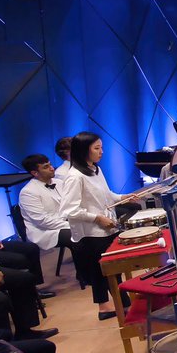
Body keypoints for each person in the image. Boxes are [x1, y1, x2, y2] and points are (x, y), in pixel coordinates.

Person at [58, 131, 126, 320]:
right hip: (91, 233)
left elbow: (106, 195)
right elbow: (69, 210)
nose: (101, 152)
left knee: (112, 269)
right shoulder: (74, 176)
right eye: (97, 148)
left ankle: (119, 304)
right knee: (103, 271)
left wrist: (123, 198)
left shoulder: (95, 169)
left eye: (101, 147)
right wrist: (97, 218)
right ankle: (112, 307)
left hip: (106, 228)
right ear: (83, 151)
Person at [18, 154, 73, 267]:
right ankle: (84, 274)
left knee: (89, 228)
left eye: (50, 164)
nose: (52, 168)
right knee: (76, 235)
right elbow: (43, 221)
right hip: (45, 231)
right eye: (46, 167)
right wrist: (71, 224)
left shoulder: (59, 182)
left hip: (64, 222)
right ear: (34, 173)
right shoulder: (28, 192)